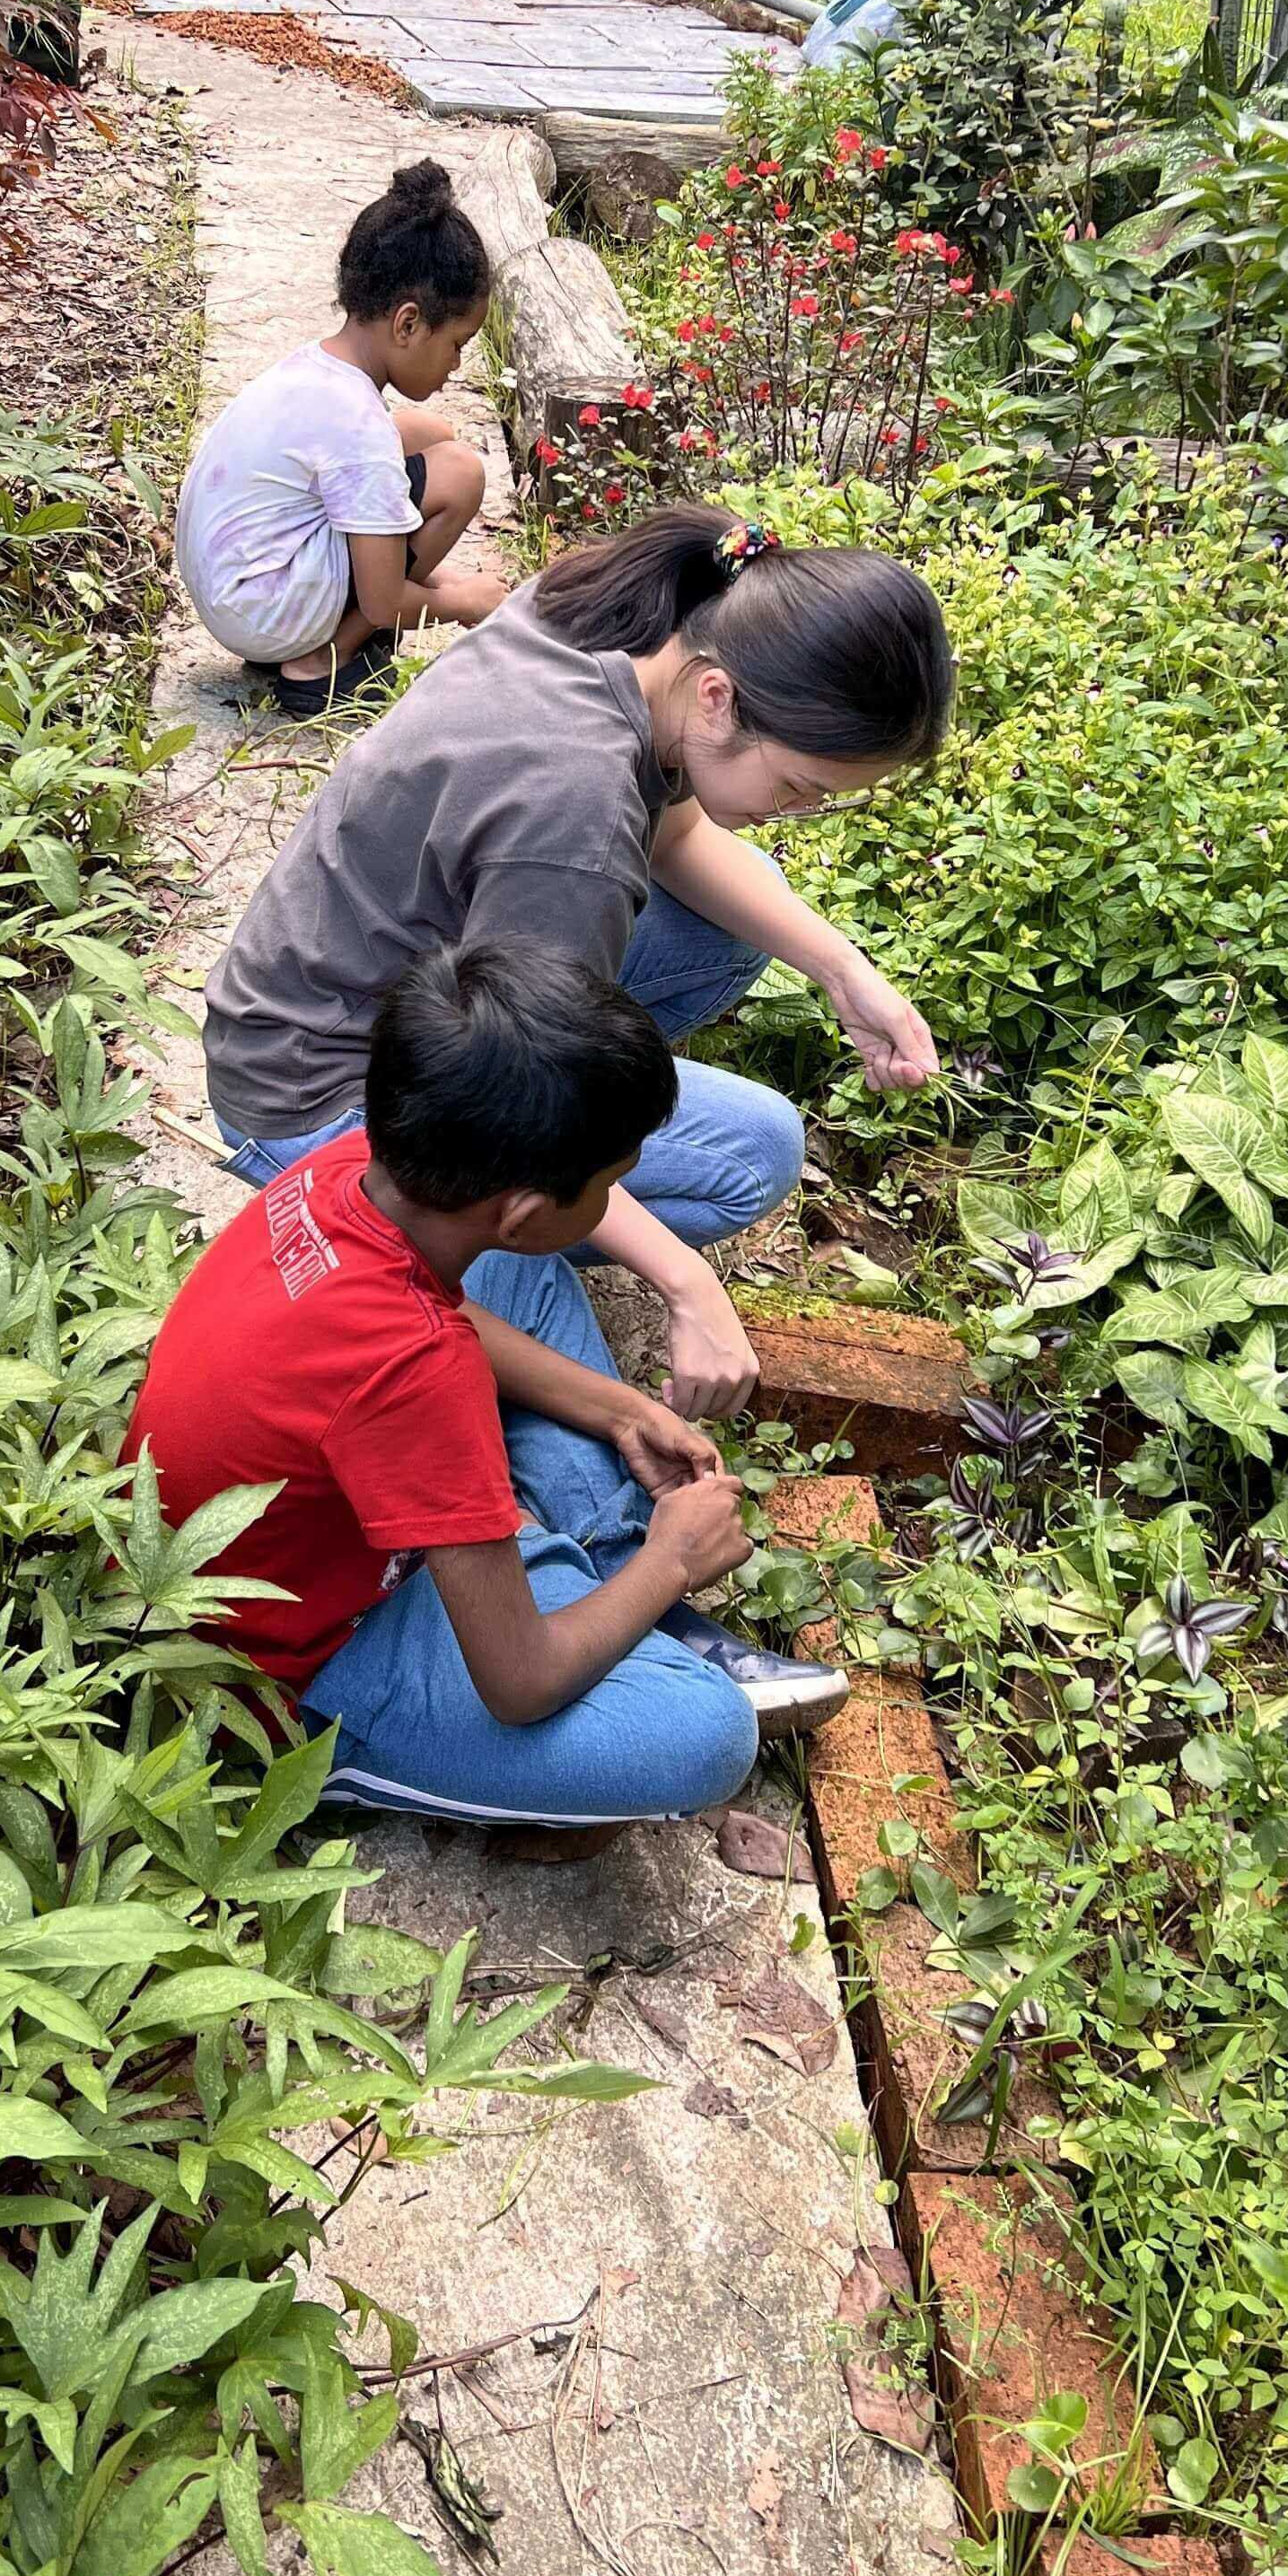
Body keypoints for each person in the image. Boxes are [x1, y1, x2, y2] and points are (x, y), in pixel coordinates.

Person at [203, 503, 953, 1417]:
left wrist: (843, 969)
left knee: (738, 933)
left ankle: (534, 1235)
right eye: (800, 788)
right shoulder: (575, 825)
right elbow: (514, 1108)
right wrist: (686, 1283)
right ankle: (422, 1246)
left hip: (351, 988)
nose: (797, 812)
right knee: (735, 1180)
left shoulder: (635, 618)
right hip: (322, 1094)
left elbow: (675, 829)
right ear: (717, 697)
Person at [126, 944, 847, 1831]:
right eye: (610, 1184)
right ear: (523, 1209)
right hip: (301, 1657)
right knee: (706, 1737)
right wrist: (675, 1563)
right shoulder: (413, 1372)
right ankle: (357, 1756)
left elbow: (432, 1321)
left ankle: (586, 1576)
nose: (619, 1198)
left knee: (521, 1282)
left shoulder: (338, 1166)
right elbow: (520, 1684)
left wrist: (617, 1405)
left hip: (318, 1504)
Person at [173, 158, 508, 719]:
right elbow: (383, 601)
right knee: (460, 473)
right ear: (407, 324)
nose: (456, 363)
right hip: (265, 613)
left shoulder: (317, 372)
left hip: (231, 589)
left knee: (433, 434)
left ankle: (315, 630)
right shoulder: (357, 425)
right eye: (456, 343)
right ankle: (327, 656)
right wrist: (458, 601)